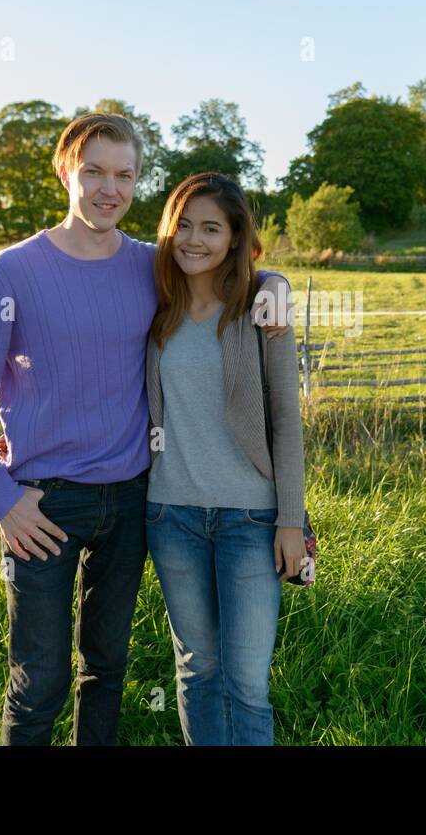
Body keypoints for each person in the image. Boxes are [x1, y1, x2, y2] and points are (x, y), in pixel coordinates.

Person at [0, 113, 289, 745]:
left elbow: (224, 267)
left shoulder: (152, 269)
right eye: (94, 171)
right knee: (38, 681)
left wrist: (276, 283)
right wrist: (0, 495)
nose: (108, 188)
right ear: (67, 172)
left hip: (131, 500)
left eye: (124, 175)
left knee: (107, 670)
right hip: (41, 501)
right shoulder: (11, 273)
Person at [144, 171, 307, 745]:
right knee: (197, 671)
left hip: (251, 519)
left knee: (247, 684)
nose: (195, 239)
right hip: (171, 516)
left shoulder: (263, 309)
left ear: (236, 238)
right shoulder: (155, 306)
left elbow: (287, 422)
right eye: (183, 225)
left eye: (212, 228)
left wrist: (291, 520)